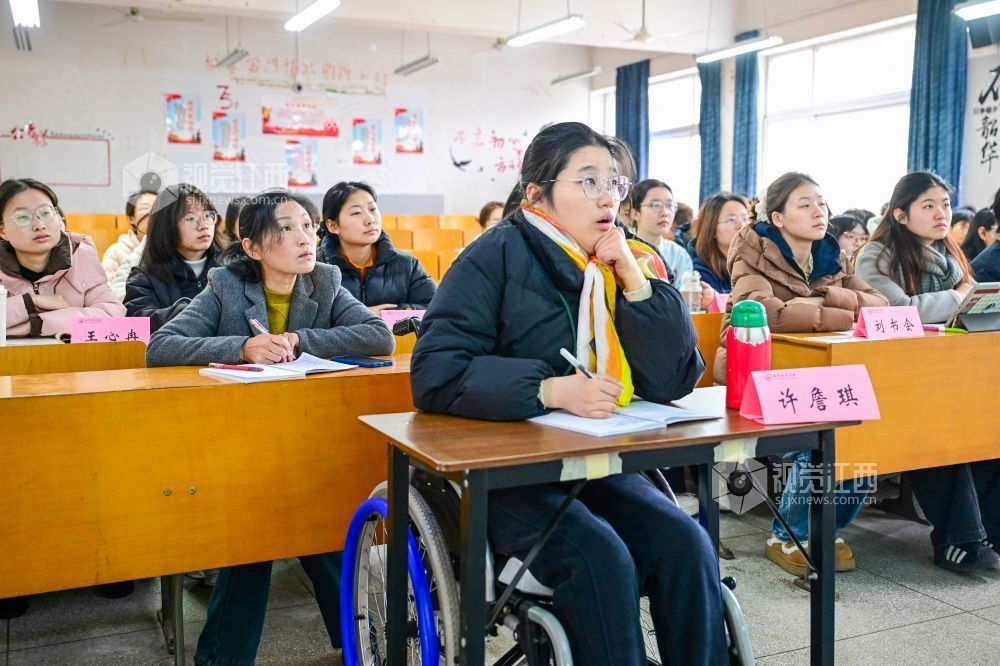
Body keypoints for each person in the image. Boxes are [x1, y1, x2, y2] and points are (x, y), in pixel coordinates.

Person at [410, 121, 725, 665]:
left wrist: (636, 282)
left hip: (599, 461)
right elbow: (436, 372)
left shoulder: (628, 258)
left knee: (687, 545)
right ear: (537, 194)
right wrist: (549, 389)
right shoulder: (492, 257)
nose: (608, 196)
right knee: (600, 557)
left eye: (614, 182)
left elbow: (672, 382)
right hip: (510, 475)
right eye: (587, 181)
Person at [147, 190, 394, 663]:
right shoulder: (224, 284)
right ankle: (225, 658)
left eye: (308, 225)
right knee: (256, 542)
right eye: (287, 227)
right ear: (253, 247)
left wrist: (300, 338)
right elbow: (161, 347)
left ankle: (362, 644)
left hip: (303, 440)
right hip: (235, 445)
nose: (305, 237)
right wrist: (242, 347)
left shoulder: (324, 280)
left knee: (322, 529)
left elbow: (378, 336)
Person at [714, 172, 888, 576]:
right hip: (758, 377)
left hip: (816, 374)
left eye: (822, 203)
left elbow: (879, 303)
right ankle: (787, 535)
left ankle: (827, 527)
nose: (819, 212)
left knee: (866, 429)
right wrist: (840, 311)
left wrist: (820, 296)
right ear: (777, 216)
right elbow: (767, 312)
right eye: (805, 204)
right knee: (816, 439)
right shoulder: (751, 252)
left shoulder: (829, 256)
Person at [856, 171, 999, 572]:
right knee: (939, 430)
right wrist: (956, 298)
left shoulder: (950, 255)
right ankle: (959, 539)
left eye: (946, 204)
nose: (942, 213)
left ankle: (992, 531)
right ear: (901, 214)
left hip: (943, 372)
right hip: (891, 377)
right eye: (929, 205)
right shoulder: (876, 255)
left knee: (989, 430)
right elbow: (894, 310)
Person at [1, 178, 124, 339]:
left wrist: (36, 323)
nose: (39, 225)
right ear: (2, 231)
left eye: (45, 213)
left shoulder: (81, 255)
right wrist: (30, 301)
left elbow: (113, 315)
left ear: (58, 217)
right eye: (22, 217)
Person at [317, 181, 435, 312]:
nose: (370, 219)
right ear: (333, 226)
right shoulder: (314, 267)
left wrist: (390, 314)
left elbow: (435, 307)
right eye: (356, 213)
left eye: (372, 209)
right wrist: (362, 316)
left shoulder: (407, 264)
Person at [124, 184, 223, 332]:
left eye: (208, 215)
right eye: (190, 218)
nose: (204, 225)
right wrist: (192, 310)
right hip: (174, 354)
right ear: (167, 225)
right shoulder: (144, 277)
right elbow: (138, 322)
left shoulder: (232, 267)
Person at [688, 192, 749, 293]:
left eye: (745, 218)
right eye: (731, 220)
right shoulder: (698, 270)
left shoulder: (756, 259)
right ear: (712, 230)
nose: (741, 225)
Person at [102, 189, 156, 281]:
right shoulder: (116, 252)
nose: (153, 213)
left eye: (157, 207)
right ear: (131, 218)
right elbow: (107, 288)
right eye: (145, 208)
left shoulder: (173, 248)